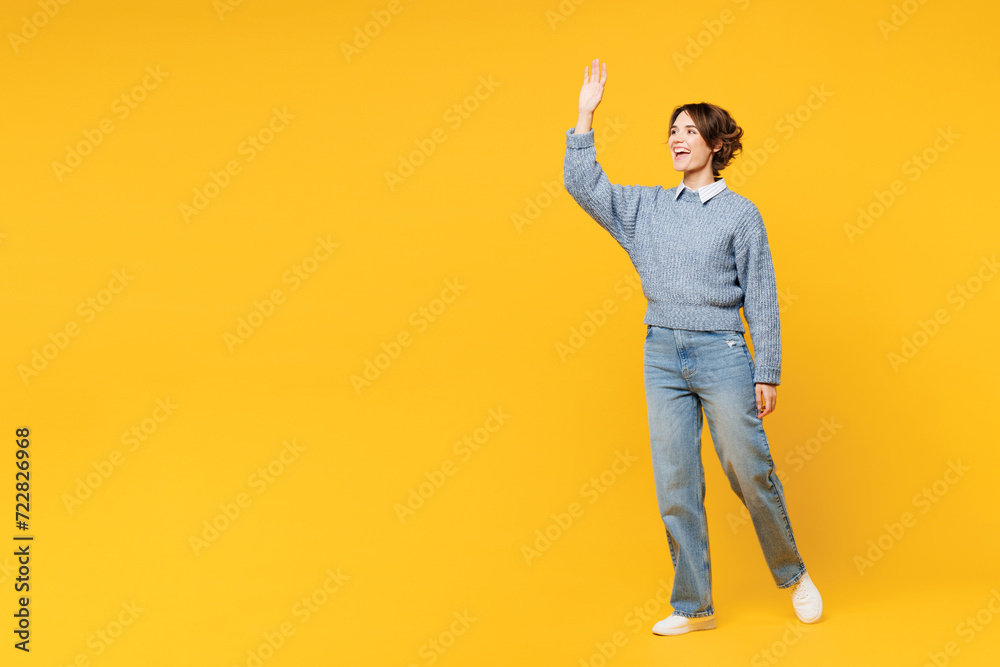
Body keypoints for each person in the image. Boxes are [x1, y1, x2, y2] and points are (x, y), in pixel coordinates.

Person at [563, 58, 823, 635]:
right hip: (661, 353)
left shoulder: (741, 215)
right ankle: (693, 607)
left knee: (747, 468)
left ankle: (793, 574)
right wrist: (585, 114)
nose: (677, 138)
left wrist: (768, 369)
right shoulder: (647, 210)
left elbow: (761, 293)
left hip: (722, 350)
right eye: (673, 130)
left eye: (689, 130)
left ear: (715, 143)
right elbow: (583, 184)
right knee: (676, 482)